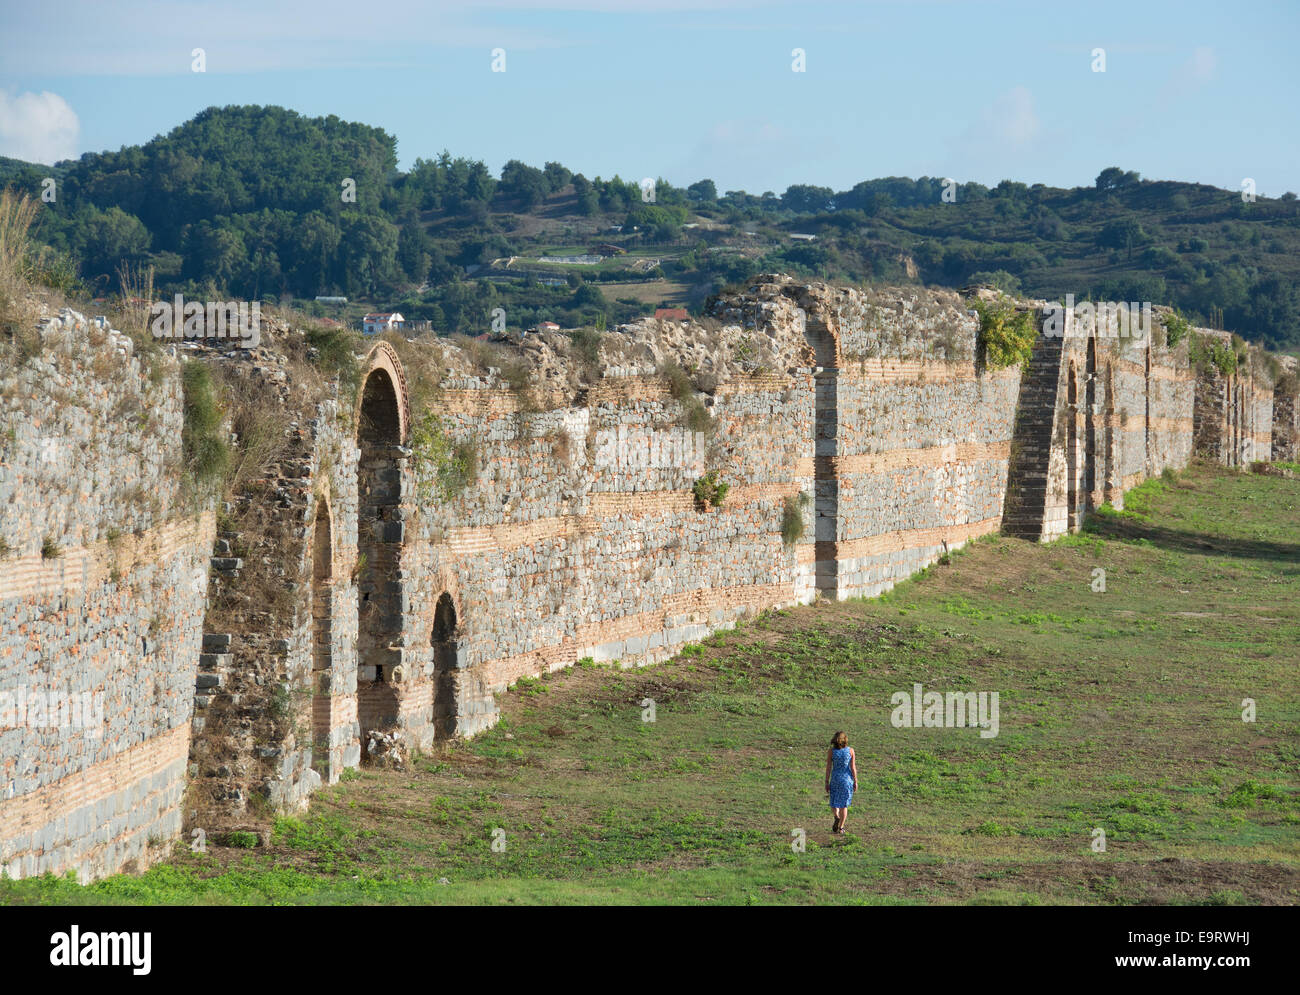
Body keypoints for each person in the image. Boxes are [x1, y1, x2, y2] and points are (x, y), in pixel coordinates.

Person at [824, 731, 858, 834]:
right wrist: (855, 781)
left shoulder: (831, 751)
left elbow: (829, 767)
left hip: (835, 779)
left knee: (834, 802)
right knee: (844, 805)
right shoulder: (851, 751)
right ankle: (841, 827)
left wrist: (826, 781)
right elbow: (853, 767)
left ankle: (836, 816)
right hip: (847, 780)